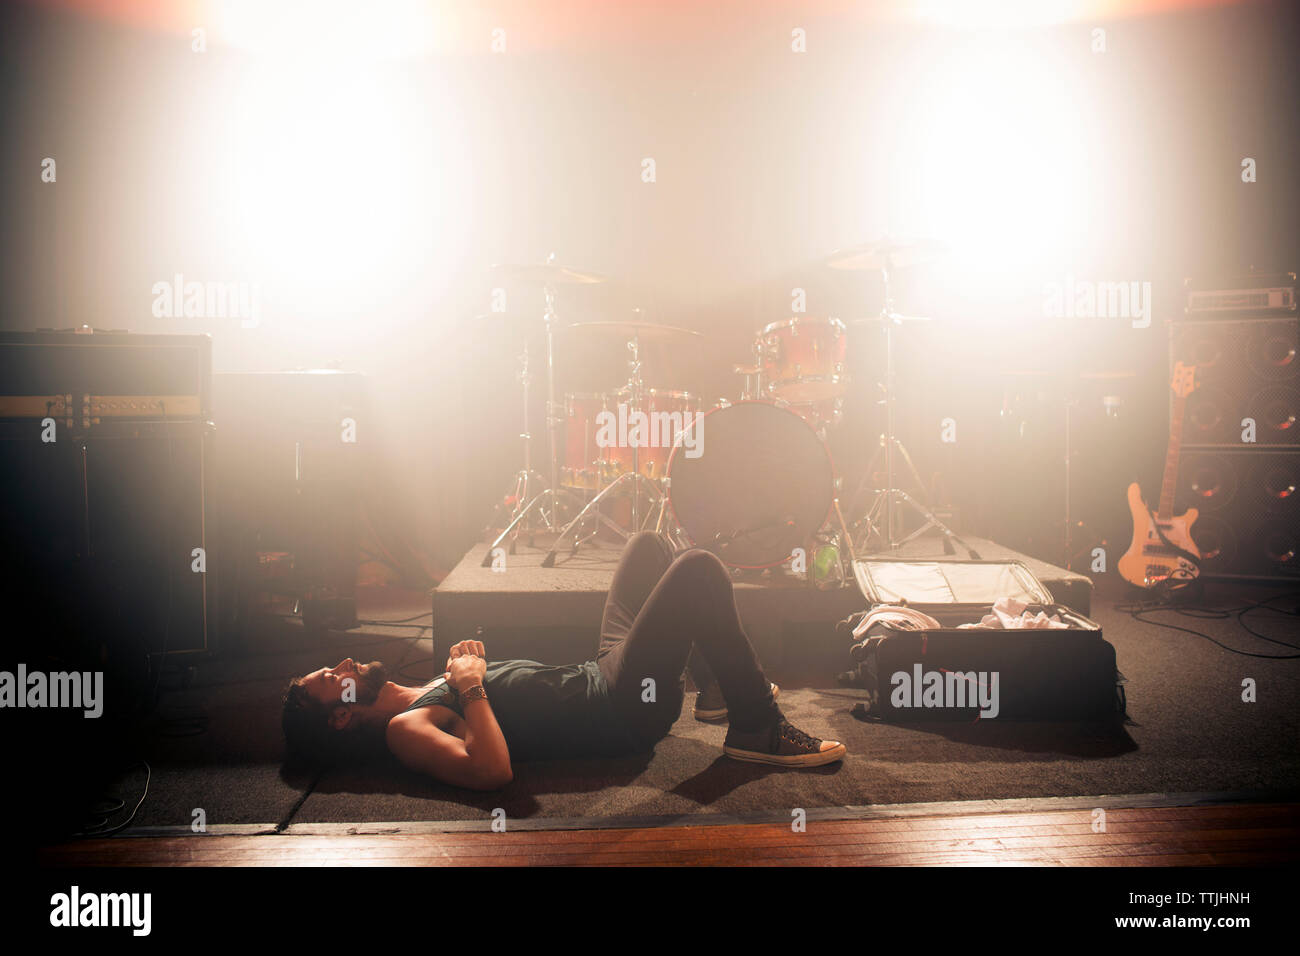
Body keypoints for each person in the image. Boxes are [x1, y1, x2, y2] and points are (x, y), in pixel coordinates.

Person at [282, 532, 845, 789]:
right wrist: (473, 685)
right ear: (339, 716)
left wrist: (465, 672)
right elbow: (492, 771)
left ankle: (718, 690)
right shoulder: (404, 730)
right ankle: (756, 726)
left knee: (648, 546)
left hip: (601, 671)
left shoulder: (420, 695)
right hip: (621, 710)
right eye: (330, 680)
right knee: (697, 568)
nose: (345, 664)